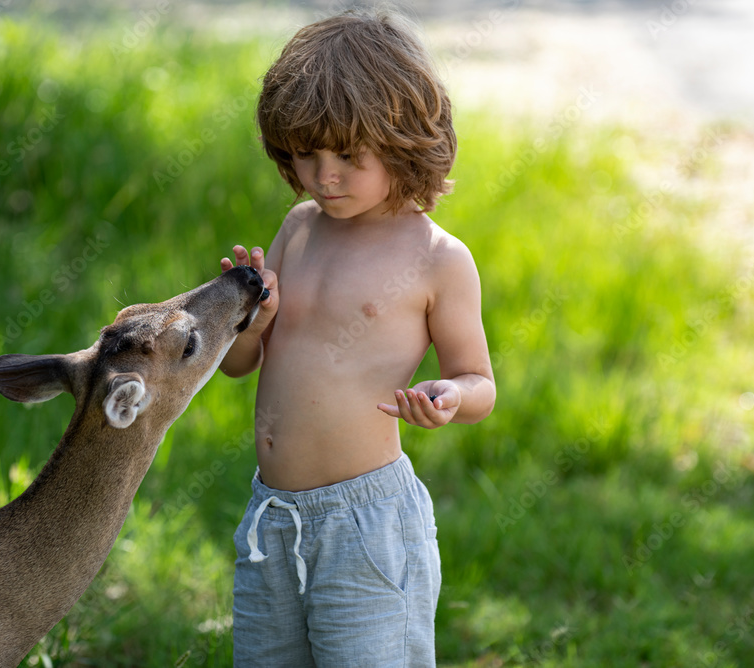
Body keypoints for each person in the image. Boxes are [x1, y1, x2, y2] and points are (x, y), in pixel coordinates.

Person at [218, 8, 496, 667]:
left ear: (402, 138)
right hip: (273, 516)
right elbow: (238, 366)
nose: (324, 175)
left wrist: (449, 396)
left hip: (365, 525)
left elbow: (479, 381)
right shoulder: (300, 227)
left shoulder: (438, 258)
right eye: (306, 154)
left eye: (348, 154)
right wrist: (250, 321)